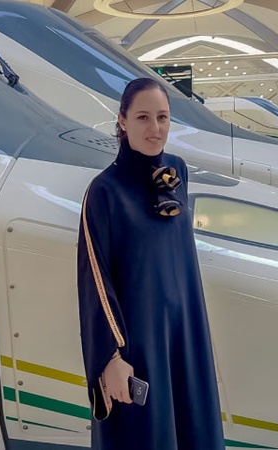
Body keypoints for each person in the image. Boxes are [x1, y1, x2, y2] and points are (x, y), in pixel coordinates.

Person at [77, 77, 224, 450]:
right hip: (139, 341)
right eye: (143, 117)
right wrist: (110, 356)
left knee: (192, 426)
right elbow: (95, 280)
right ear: (122, 121)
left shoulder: (178, 172)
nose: (155, 129)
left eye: (163, 117)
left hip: (184, 331)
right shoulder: (104, 191)